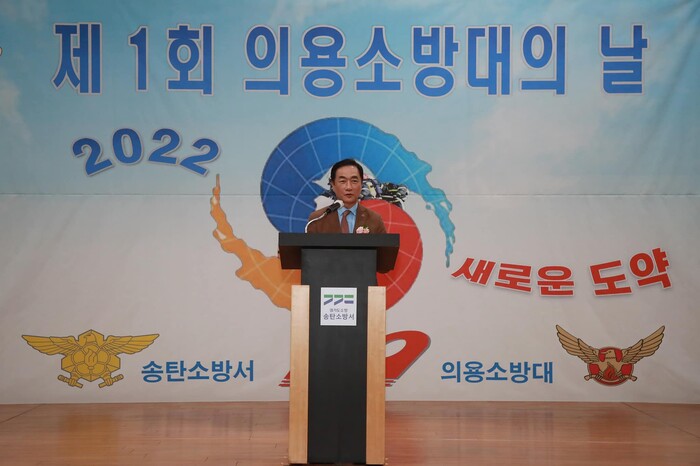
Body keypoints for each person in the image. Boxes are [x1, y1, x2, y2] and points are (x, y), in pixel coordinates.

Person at [306, 159, 386, 234]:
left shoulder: (374, 219)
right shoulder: (317, 218)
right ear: (333, 185)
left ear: (361, 184)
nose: (349, 187)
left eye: (354, 181)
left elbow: (382, 245)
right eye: (342, 181)